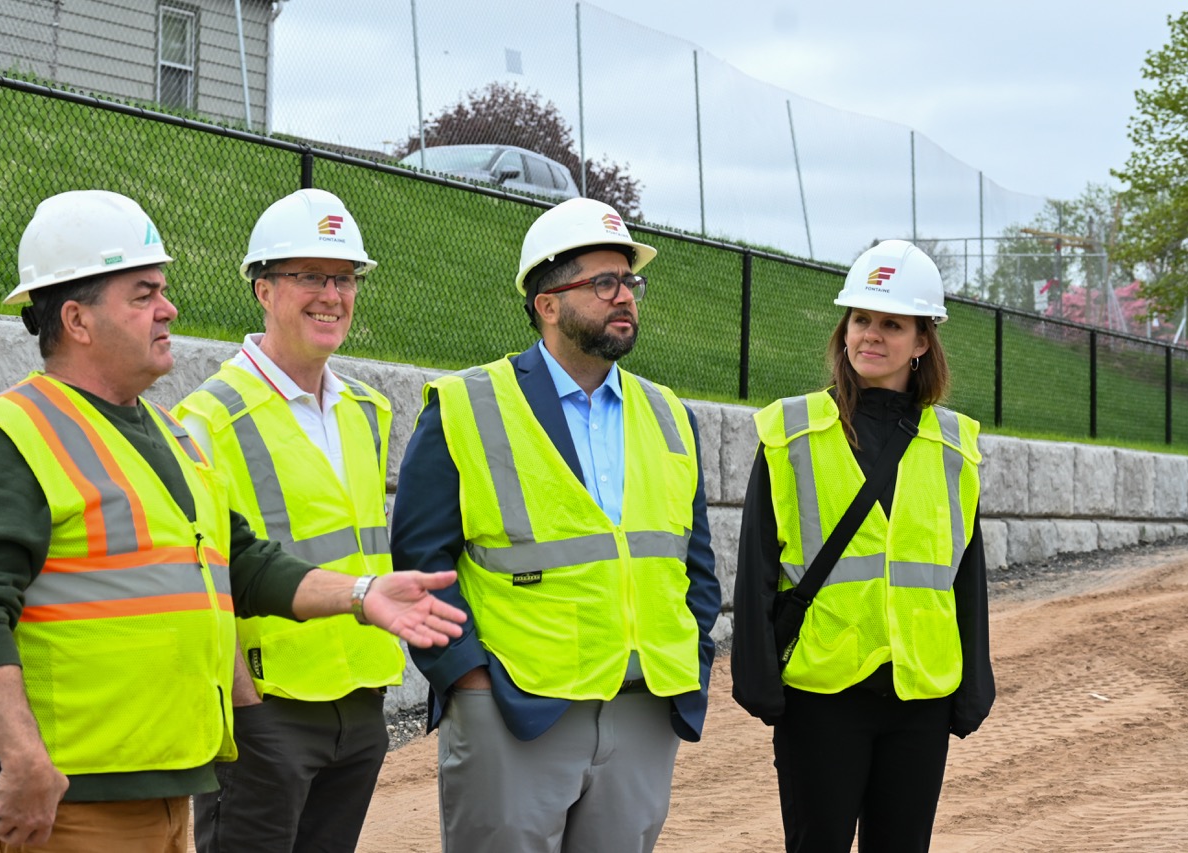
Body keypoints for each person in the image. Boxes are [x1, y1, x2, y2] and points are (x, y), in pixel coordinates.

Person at [0, 189, 466, 853]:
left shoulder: (166, 436)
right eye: (145, 293)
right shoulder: (8, 436)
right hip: (64, 797)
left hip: (165, 786)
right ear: (78, 319)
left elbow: (244, 562)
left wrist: (360, 594)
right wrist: (23, 758)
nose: (169, 308)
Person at [390, 197, 721, 853]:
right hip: (514, 712)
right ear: (547, 303)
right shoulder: (468, 405)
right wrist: (470, 684)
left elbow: (697, 567)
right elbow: (423, 564)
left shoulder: (667, 414)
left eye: (631, 282)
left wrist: (693, 659)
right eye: (604, 283)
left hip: (642, 708)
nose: (624, 297)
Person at [730, 239, 996, 853]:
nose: (870, 335)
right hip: (822, 696)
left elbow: (966, 576)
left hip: (920, 695)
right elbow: (756, 566)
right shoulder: (792, 431)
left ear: (923, 341)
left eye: (892, 324)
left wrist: (974, 679)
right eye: (861, 319)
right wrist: (757, 676)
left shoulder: (955, 446)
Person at [175, 188, 402, 853]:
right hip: (268, 710)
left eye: (344, 278)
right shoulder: (207, 418)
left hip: (360, 701)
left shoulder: (367, 409)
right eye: (310, 277)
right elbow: (203, 576)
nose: (332, 294)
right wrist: (243, 705)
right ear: (264, 289)